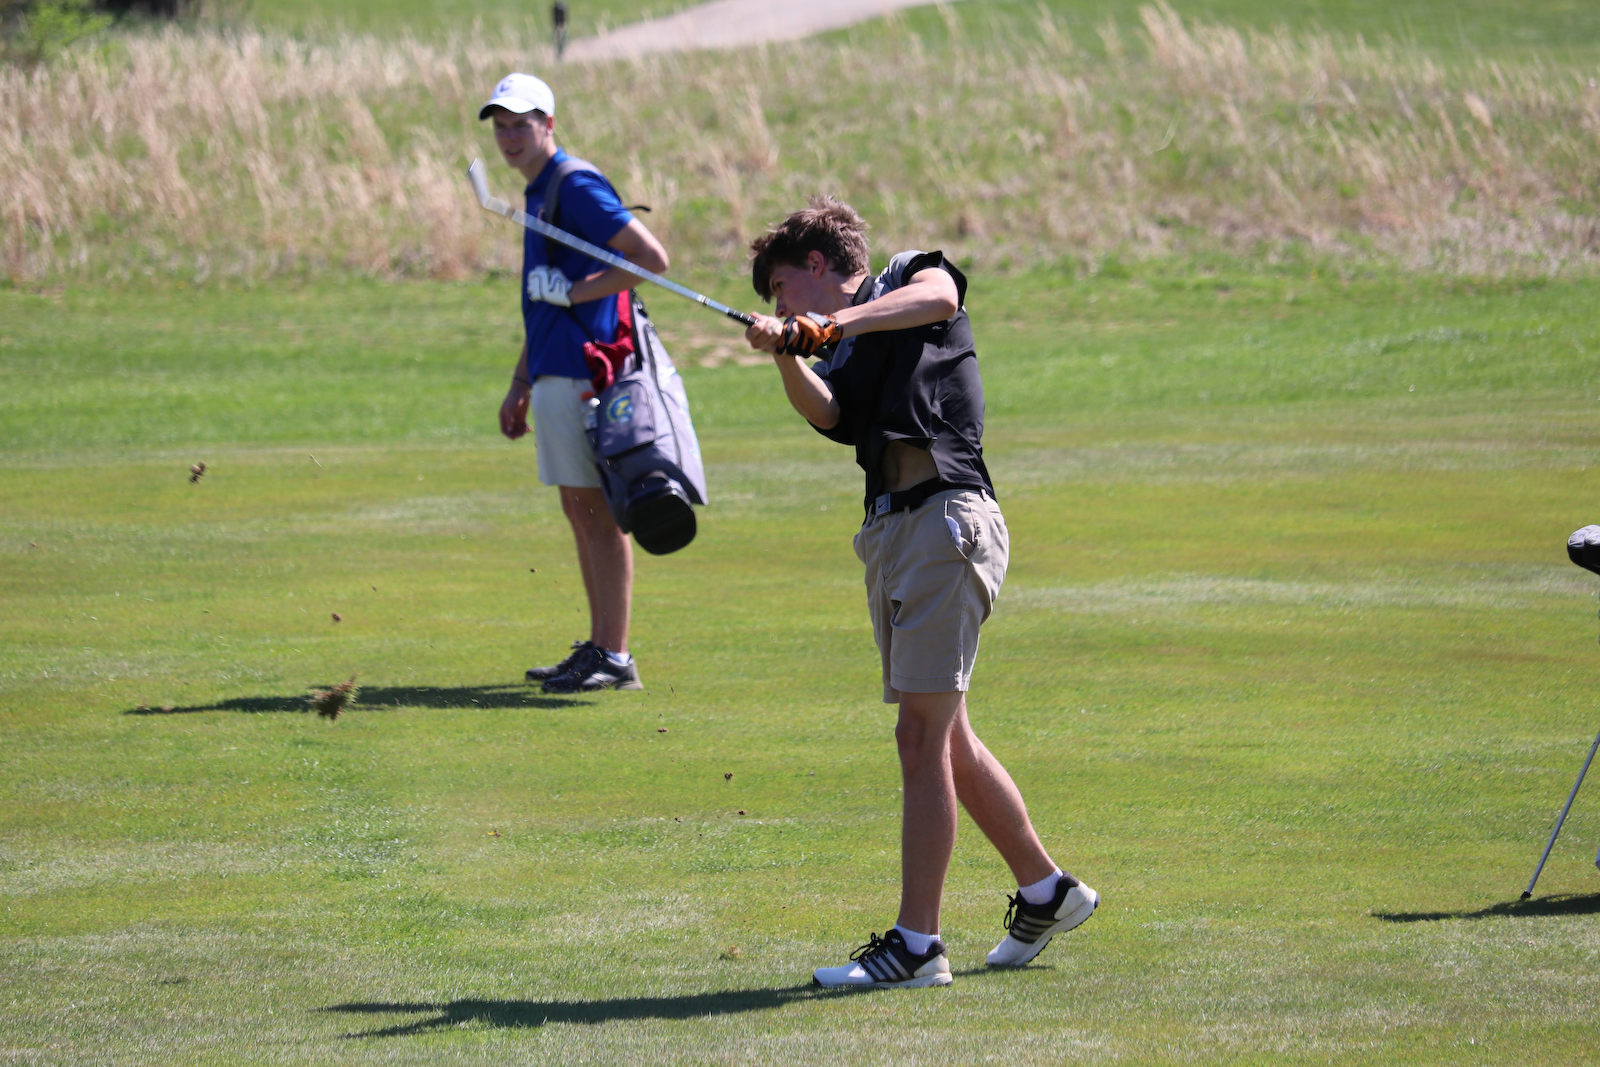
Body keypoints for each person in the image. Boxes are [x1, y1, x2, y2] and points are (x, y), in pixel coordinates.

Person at [742, 199, 1098, 989]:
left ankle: (917, 944)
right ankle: (1047, 890)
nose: (782, 305)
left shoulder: (905, 277)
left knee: (918, 736)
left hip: (948, 517)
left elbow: (940, 298)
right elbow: (833, 415)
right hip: (894, 532)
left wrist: (830, 324)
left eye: (782, 289)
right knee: (948, 739)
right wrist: (787, 353)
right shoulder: (839, 343)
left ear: (814, 265)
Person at [480, 73, 669, 693]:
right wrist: (521, 381)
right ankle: (599, 646)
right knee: (578, 508)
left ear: (549, 125)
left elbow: (650, 260)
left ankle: (614, 655)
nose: (510, 137)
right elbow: (543, 303)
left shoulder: (574, 184)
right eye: (501, 126)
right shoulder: (539, 191)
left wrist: (574, 290)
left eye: (521, 124)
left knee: (597, 512)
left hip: (586, 369)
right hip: (553, 368)